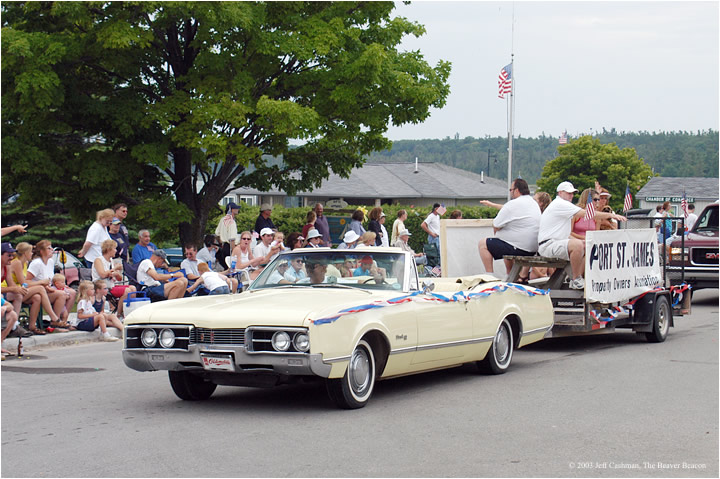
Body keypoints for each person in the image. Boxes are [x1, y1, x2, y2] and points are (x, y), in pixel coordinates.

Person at [538, 181, 626, 290]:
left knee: (587, 245)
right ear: (560, 193)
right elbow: (587, 214)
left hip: (555, 242)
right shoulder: (560, 204)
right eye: (568, 193)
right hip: (548, 245)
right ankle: (576, 279)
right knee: (578, 245)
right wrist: (611, 215)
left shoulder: (563, 205)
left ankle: (581, 278)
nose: (571, 195)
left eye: (573, 193)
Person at [477, 179, 541, 282]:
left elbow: (496, 224)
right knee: (505, 242)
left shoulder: (513, 204)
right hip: (533, 248)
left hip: (520, 248)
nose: (510, 193)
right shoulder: (533, 203)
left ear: (516, 190)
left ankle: (489, 276)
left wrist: (500, 231)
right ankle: (510, 275)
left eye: (510, 190)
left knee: (483, 244)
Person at [2, 242, 61, 333]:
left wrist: (17, 288)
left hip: (15, 290)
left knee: (37, 297)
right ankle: (54, 318)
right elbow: (23, 283)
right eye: (30, 252)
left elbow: (14, 284)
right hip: (6, 292)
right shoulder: (16, 262)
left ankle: (32, 326)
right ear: (25, 253)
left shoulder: (22, 264)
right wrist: (41, 282)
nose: (32, 253)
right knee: (39, 289)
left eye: (11, 255)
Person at [26, 240, 76, 328]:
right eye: (48, 248)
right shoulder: (37, 263)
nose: (52, 250)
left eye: (51, 247)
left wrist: (61, 285)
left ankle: (64, 320)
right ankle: (55, 321)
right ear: (42, 251)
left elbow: (52, 279)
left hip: (50, 289)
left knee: (72, 292)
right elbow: (26, 281)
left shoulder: (50, 262)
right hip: (40, 292)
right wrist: (41, 283)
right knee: (62, 294)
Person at [93, 239, 136, 317]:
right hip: (101, 285)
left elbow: (119, 279)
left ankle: (127, 312)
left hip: (111, 285)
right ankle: (118, 314)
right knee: (127, 291)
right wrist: (114, 269)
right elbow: (102, 274)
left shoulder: (111, 261)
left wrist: (117, 273)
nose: (116, 251)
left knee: (133, 288)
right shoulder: (98, 260)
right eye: (114, 248)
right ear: (109, 249)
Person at [215, 202, 240, 269]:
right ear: (231, 210)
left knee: (226, 268)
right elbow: (232, 239)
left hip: (224, 246)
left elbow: (217, 234)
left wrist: (221, 243)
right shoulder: (231, 222)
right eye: (235, 208)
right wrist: (234, 251)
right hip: (230, 247)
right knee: (231, 268)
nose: (237, 209)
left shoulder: (222, 220)